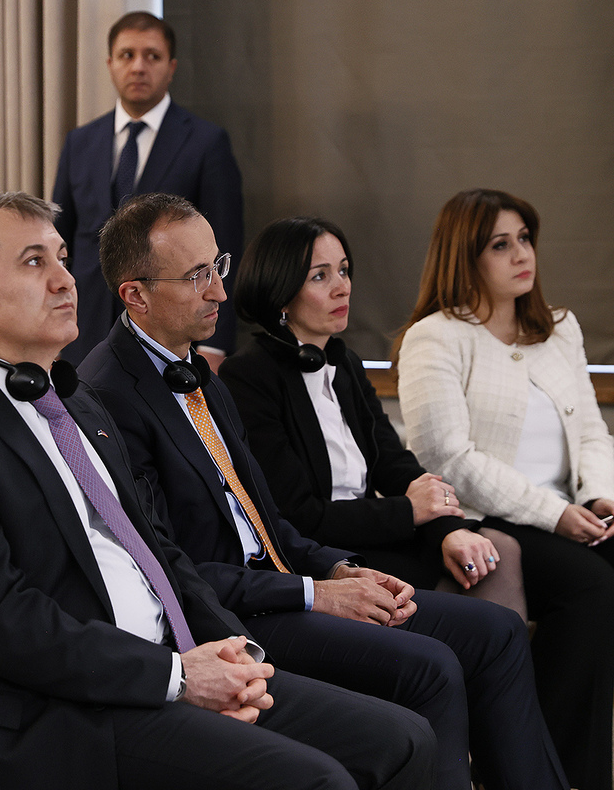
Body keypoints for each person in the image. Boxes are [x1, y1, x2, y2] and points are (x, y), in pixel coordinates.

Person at [0, 191, 436, 790]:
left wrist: (234, 650)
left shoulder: (77, 401)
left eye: (63, 259)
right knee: (318, 781)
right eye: (35, 261)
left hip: (172, 664)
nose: (66, 280)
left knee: (404, 741)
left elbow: (158, 547)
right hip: (65, 715)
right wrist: (177, 677)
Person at [81, 193, 568, 790]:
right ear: (135, 294)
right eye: (197, 276)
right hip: (233, 614)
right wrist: (316, 594)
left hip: (285, 581)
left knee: (497, 631)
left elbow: (270, 522)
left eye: (218, 267)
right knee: (433, 667)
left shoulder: (200, 374)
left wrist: (341, 569)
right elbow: (172, 568)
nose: (220, 292)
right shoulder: (107, 395)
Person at [394, 188, 614, 790]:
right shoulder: (435, 337)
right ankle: (560, 777)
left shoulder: (559, 329)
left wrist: (599, 496)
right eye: (500, 244)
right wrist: (556, 513)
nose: (522, 254)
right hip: (488, 520)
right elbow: (449, 459)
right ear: (464, 255)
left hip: (567, 512)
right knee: (592, 587)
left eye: (525, 238)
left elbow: (591, 427)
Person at [220, 216, 526, 621]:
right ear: (281, 293)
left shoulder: (344, 362)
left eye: (344, 270)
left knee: (497, 549)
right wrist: (409, 512)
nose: (342, 287)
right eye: (320, 276)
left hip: (374, 531)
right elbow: (297, 515)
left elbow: (392, 462)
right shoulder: (249, 375)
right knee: (478, 600)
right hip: (325, 555)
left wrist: (447, 530)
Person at [52, 11, 242, 368]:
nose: (138, 67)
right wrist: (51, 327)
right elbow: (59, 242)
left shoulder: (206, 142)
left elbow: (225, 247)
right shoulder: (80, 142)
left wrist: (214, 346)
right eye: (127, 55)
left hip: (167, 333)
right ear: (110, 64)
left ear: (171, 67)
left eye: (152, 56)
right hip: (84, 332)